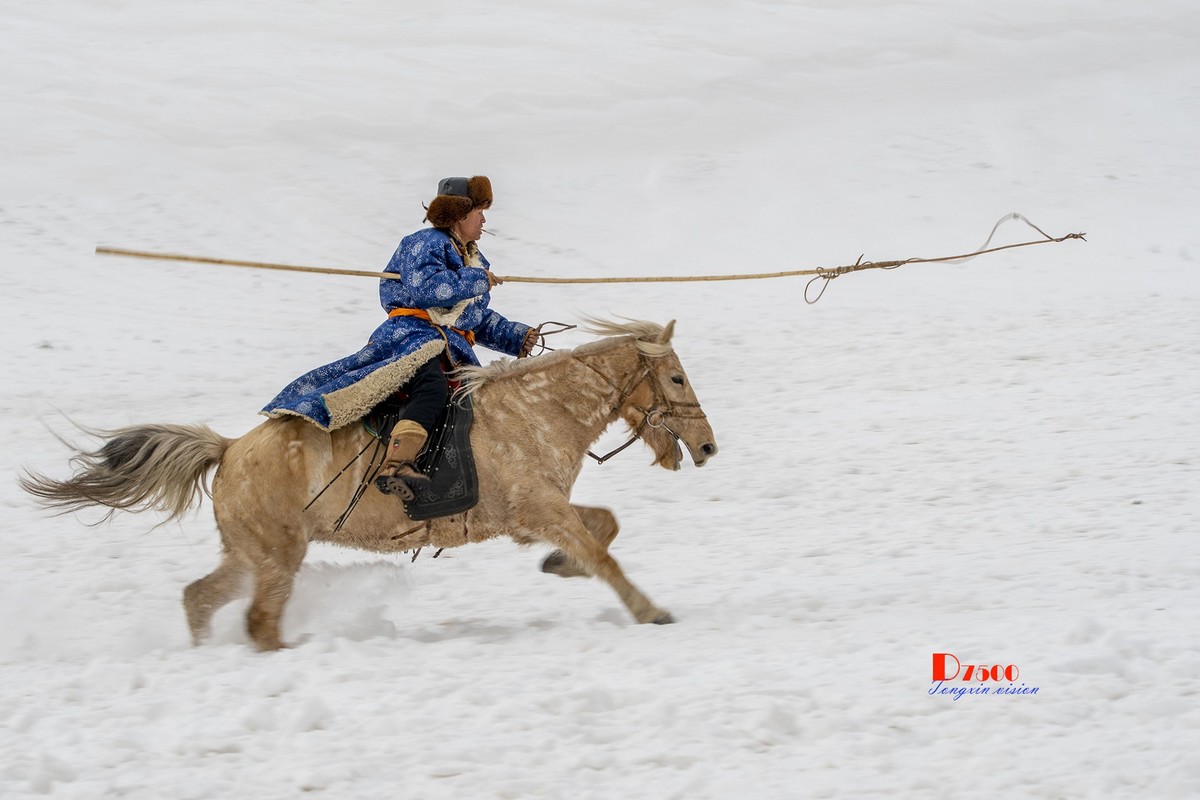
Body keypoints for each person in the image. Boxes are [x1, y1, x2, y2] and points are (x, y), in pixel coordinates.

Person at [261, 175, 537, 499]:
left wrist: (517, 337)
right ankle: (397, 464)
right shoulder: (423, 243)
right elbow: (429, 289)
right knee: (432, 386)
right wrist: (476, 280)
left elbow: (473, 319)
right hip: (412, 338)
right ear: (461, 214)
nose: (484, 220)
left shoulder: (473, 260)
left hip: (450, 345)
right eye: (479, 212)